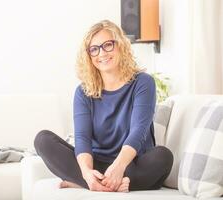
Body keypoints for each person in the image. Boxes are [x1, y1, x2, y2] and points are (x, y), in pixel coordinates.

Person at [34, 20, 173, 192]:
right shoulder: (83, 92)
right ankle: (96, 182)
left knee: (163, 156)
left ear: (120, 45)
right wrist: (86, 172)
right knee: (43, 140)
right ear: (89, 56)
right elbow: (82, 138)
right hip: (96, 163)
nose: (102, 53)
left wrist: (119, 167)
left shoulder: (143, 82)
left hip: (130, 163)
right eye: (94, 49)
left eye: (108, 45)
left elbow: (139, 131)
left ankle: (88, 183)